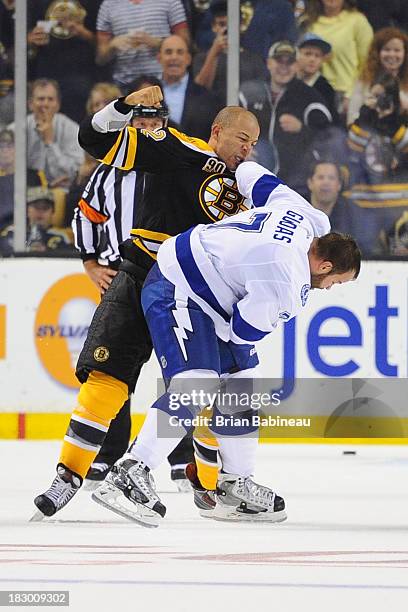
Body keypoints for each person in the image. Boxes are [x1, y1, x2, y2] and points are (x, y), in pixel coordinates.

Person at [89, 160, 361, 526]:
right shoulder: (289, 282)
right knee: (198, 383)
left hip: (207, 283)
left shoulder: (309, 219)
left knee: (244, 383)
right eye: (336, 283)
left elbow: (250, 173)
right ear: (325, 266)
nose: (329, 289)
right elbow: (243, 331)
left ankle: (233, 484)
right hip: (178, 286)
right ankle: (130, 473)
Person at [32, 84, 261, 519]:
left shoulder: (251, 184)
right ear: (217, 131)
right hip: (142, 274)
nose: (248, 150)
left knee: (206, 387)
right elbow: (93, 139)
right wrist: (124, 105)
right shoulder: (177, 148)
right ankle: (68, 477)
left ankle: (214, 489)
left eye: (254, 143)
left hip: (200, 292)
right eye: (242, 139)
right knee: (107, 377)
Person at [239, 40, 333, 195]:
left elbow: (328, 140)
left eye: (289, 62)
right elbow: (230, 129)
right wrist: (243, 148)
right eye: (279, 61)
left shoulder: (310, 97)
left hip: (296, 185)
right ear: (269, 63)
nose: (284, 67)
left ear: (296, 66)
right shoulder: (249, 94)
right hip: (255, 182)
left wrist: (302, 129)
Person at [27, 0, 106, 123]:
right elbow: (22, 36)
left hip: (82, 75)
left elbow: (102, 46)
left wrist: (83, 32)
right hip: (46, 72)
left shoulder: (94, 3)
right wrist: (31, 39)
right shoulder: (35, 3)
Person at [300, 0, 373, 117]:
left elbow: (368, 64)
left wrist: (352, 95)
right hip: (313, 90)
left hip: (345, 94)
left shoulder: (358, 21)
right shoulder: (307, 21)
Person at [8, 78, 84, 190]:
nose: (45, 104)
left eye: (50, 99)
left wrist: (50, 142)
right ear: (30, 104)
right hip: (22, 191)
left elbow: (73, 174)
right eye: (41, 99)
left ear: (58, 105)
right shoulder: (16, 129)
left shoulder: (72, 130)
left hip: (60, 193)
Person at [95, 0, 190, 90]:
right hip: (124, 85)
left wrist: (158, 44)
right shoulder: (108, 5)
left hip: (163, 82)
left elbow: (185, 43)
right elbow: (100, 59)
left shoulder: (170, 1)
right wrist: (112, 45)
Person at [192, 0, 267, 106]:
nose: (227, 29)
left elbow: (261, 94)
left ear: (240, 26)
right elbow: (200, 91)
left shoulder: (255, 60)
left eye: (231, 24)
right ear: (214, 27)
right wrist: (214, 53)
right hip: (211, 117)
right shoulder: (201, 58)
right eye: (222, 24)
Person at [158, 34, 221, 140]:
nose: (174, 57)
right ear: (159, 58)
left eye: (180, 52)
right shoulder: (146, 91)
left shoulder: (206, 97)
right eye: (168, 52)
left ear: (188, 59)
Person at [348, 27, 408, 125]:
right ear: (377, 53)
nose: (392, 55)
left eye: (397, 50)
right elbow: (352, 118)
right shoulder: (364, 80)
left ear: (405, 53)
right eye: (387, 49)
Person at [0, 186, 72, 255]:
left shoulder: (60, 237)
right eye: (36, 207)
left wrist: (47, 252)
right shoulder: (10, 233)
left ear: (53, 212)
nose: (40, 212)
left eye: (45, 208)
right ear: (27, 210)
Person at [297, 32, 338, 121]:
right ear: (297, 55)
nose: (312, 59)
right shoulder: (286, 83)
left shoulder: (326, 90)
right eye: (308, 54)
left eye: (317, 56)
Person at [306, 160, 352, 232]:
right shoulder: (297, 210)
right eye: (320, 177)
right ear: (310, 183)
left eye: (331, 178)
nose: (326, 182)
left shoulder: (352, 218)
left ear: (339, 185)